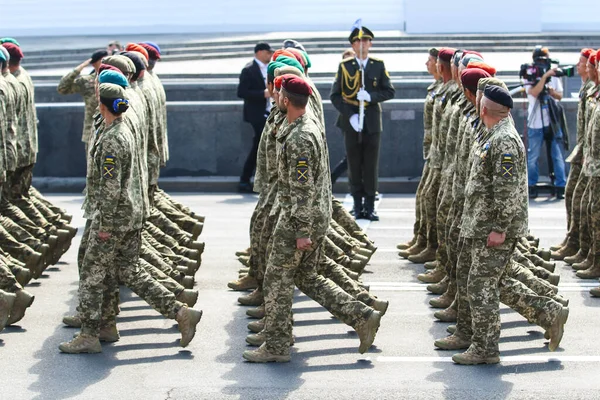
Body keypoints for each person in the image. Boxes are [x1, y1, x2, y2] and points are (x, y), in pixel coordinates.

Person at [330, 26, 395, 221]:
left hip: (372, 122)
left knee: (370, 165)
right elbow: (335, 95)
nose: (362, 44)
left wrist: (371, 96)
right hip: (353, 122)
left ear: (370, 44)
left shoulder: (378, 65)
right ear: (352, 44)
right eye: (358, 41)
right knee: (354, 163)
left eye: (366, 41)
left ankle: (370, 206)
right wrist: (350, 115)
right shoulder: (345, 66)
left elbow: (389, 91)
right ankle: (358, 206)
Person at [524, 46, 566, 199]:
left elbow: (559, 95)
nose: (542, 63)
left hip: (552, 121)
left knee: (557, 155)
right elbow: (534, 92)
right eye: (539, 60)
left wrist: (551, 90)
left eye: (544, 60)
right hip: (535, 122)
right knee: (533, 156)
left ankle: (560, 185)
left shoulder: (554, 74)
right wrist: (544, 77)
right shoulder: (530, 72)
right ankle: (532, 185)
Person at [237, 42, 274, 193]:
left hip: (268, 112)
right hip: (256, 115)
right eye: (267, 52)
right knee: (260, 146)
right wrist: (262, 94)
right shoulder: (248, 70)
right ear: (259, 52)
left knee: (260, 146)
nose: (269, 55)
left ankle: (249, 180)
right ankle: (246, 179)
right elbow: (242, 92)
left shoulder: (269, 68)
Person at [57, 49, 108, 155]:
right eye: (103, 60)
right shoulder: (87, 81)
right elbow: (62, 88)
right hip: (91, 132)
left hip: (110, 131)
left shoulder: (113, 79)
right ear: (94, 63)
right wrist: (79, 68)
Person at [330, 48, 356, 185]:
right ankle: (332, 178)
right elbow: (337, 97)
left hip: (364, 119)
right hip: (346, 120)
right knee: (351, 156)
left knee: (359, 156)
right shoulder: (341, 77)